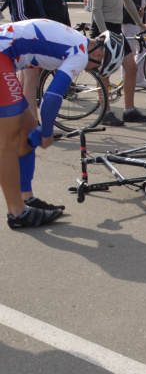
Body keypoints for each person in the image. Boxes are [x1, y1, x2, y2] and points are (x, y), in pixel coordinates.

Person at [0, 20, 127, 228]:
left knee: (28, 130)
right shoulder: (80, 52)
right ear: (98, 55)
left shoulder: (76, 41)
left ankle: (26, 197)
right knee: (8, 140)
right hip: (2, 57)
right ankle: (17, 212)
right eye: (95, 68)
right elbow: (51, 98)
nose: (87, 69)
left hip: (4, 56)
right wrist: (48, 132)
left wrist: (40, 130)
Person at [90, 0, 146, 125]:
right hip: (103, 30)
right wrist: (104, 34)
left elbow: (129, 4)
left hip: (116, 29)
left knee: (131, 68)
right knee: (105, 73)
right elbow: (96, 9)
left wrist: (140, 24)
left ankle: (129, 110)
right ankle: (105, 113)